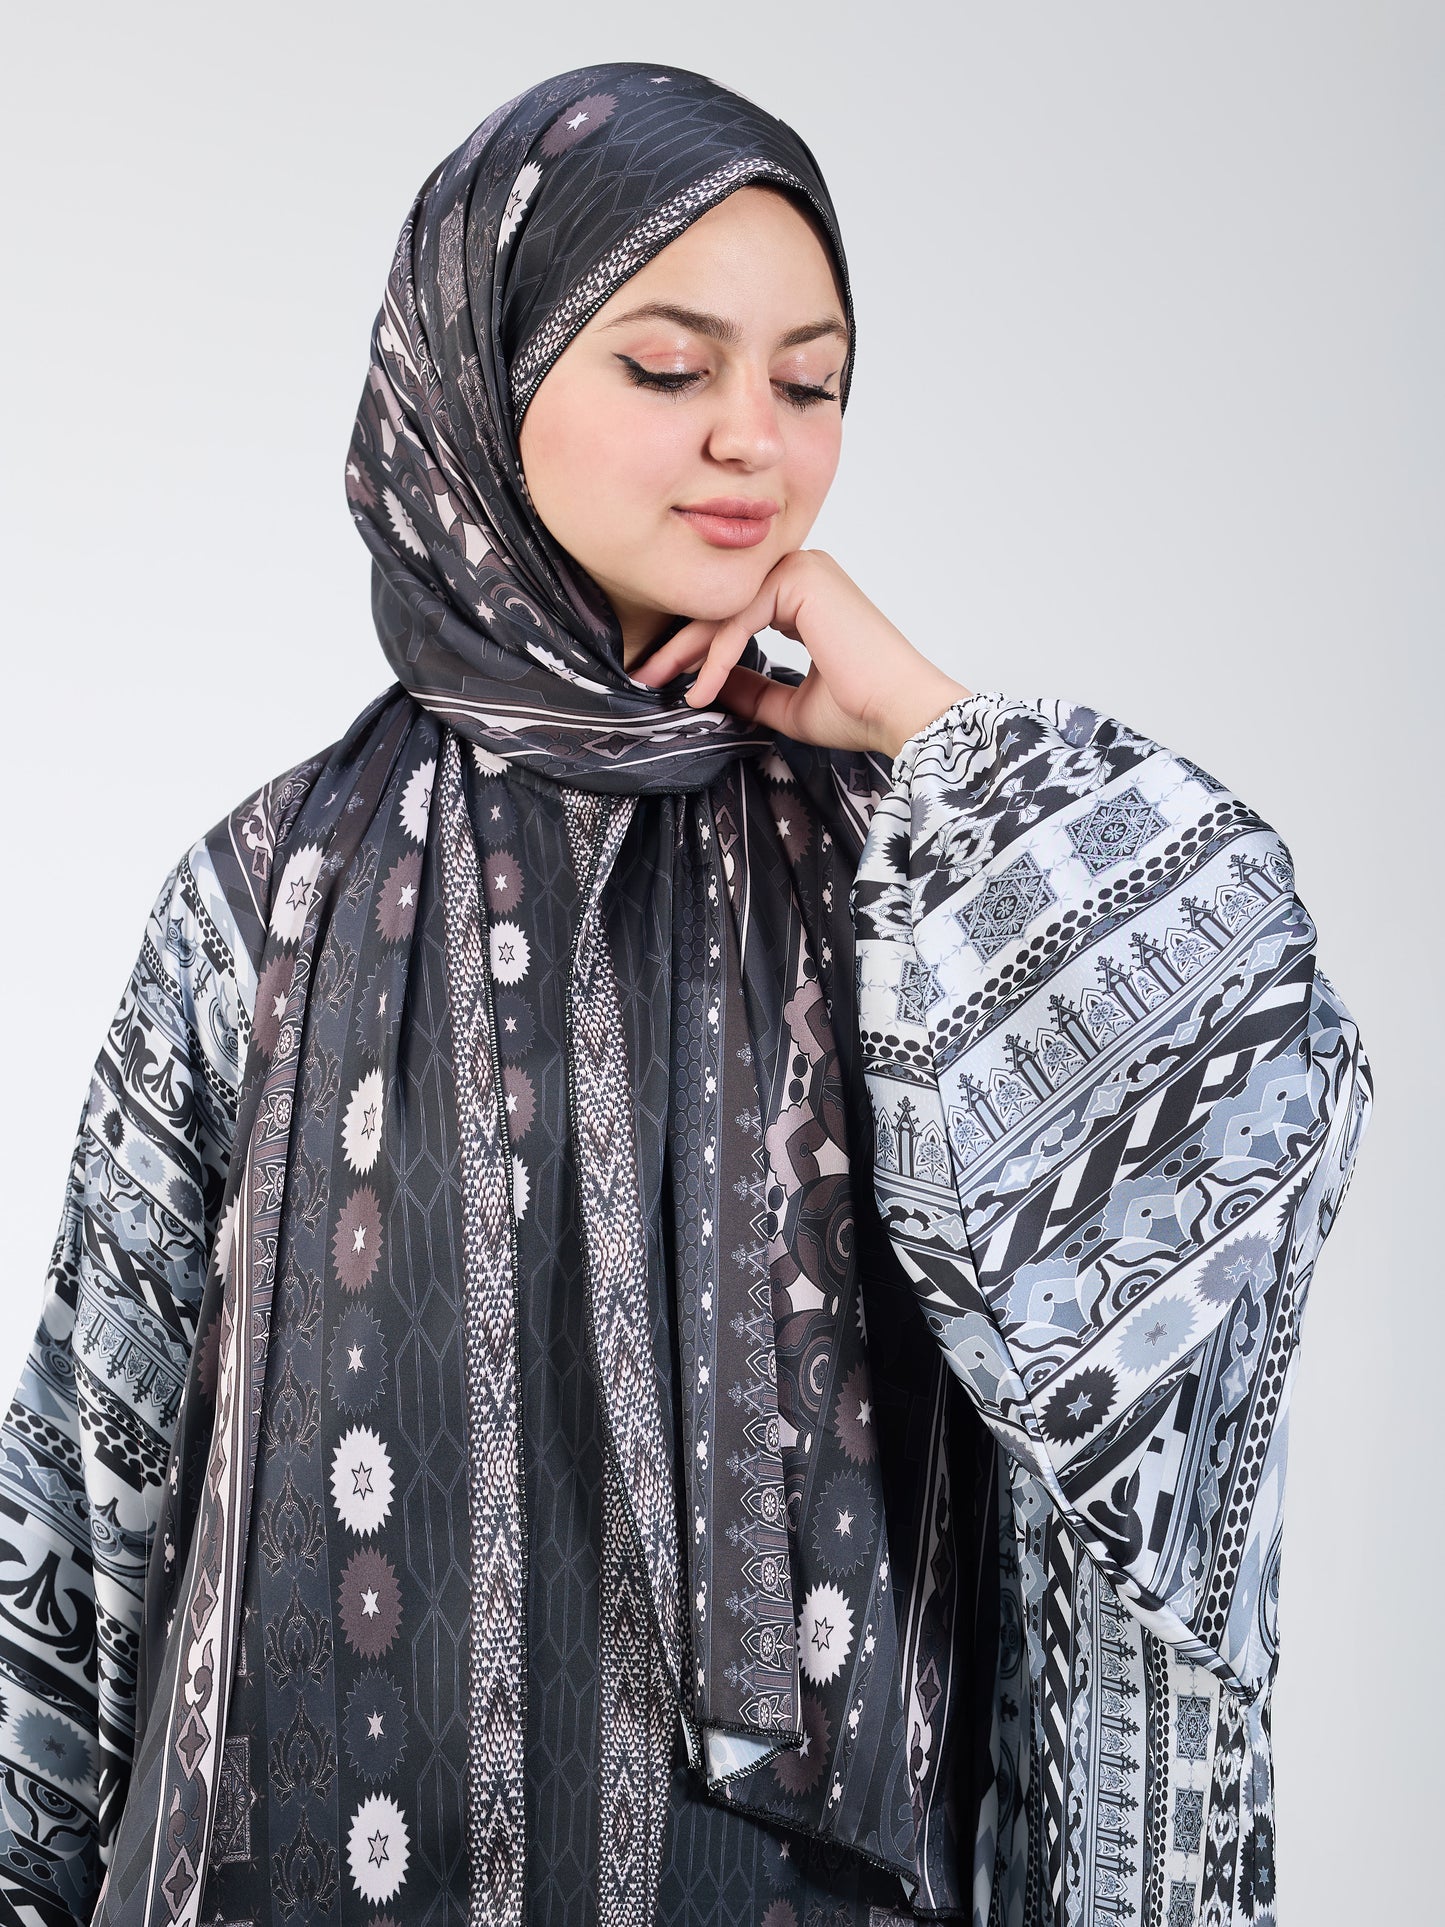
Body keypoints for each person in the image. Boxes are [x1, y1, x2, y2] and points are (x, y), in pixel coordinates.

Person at [0, 62, 1371, 1927]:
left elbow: (1241, 1078)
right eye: (669, 368)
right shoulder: (266, 895)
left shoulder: (909, 888)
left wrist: (927, 723)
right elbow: (89, 1493)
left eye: (810, 383)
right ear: (479, 378)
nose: (753, 441)